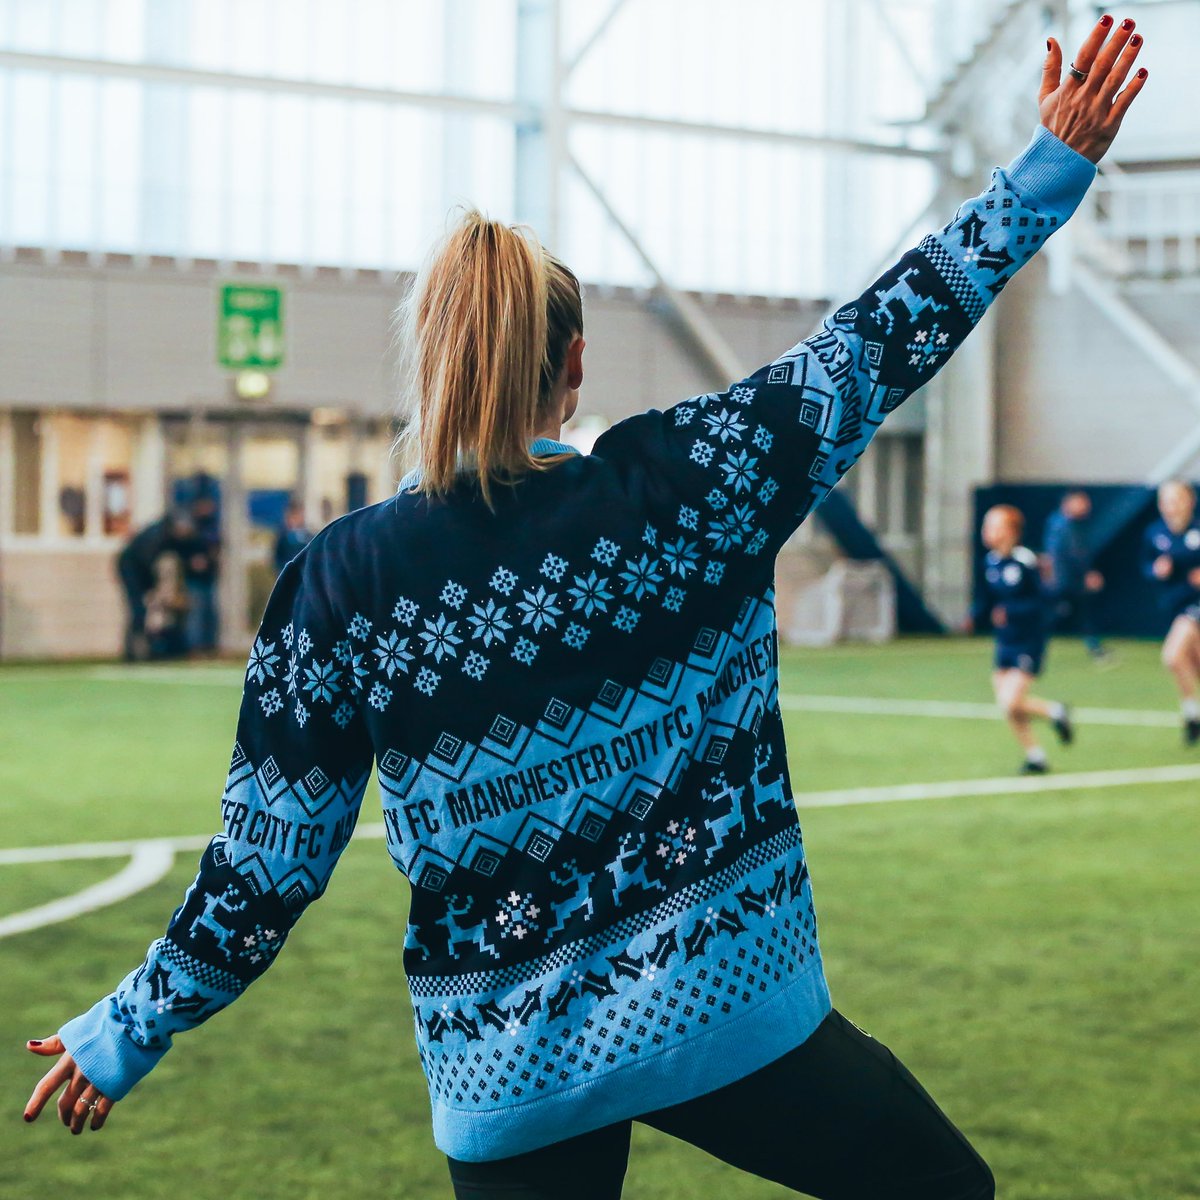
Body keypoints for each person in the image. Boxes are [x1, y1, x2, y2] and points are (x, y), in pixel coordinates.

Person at [24, 19, 1147, 1200]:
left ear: (431, 365)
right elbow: (884, 335)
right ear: (573, 368)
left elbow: (268, 866)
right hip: (735, 1008)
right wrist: (1049, 167)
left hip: (507, 1074)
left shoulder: (338, 584)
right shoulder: (692, 484)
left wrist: (126, 1029)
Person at [976, 505, 1074, 774]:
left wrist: (1012, 611)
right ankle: (1036, 756)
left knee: (1010, 700)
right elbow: (989, 601)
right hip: (1005, 641)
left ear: (1012, 532)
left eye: (994, 526)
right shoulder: (991, 562)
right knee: (1009, 706)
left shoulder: (1026, 562)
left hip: (1029, 641)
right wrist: (975, 615)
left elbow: (1045, 601)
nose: (988, 532)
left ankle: (1056, 712)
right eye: (987, 526)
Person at [1143, 480, 1200, 746]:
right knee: (1195, 663)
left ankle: (1191, 714)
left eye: (1176, 499)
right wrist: (1156, 570)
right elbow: (1145, 566)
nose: (1170, 506)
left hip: (1195, 604)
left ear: (1190, 501)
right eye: (1165, 500)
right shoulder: (1155, 533)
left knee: (1173, 656)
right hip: (1173, 604)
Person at [114, 510, 193, 662]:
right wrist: (153, 590)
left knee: (150, 611)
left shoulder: (170, 536)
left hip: (142, 571)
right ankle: (133, 653)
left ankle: (152, 650)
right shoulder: (155, 537)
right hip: (131, 569)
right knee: (138, 610)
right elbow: (144, 563)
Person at [1042, 489, 1108, 660]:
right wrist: (1086, 574)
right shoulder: (1063, 525)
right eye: (1081, 502)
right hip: (1064, 580)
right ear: (1069, 503)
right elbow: (1072, 554)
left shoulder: (1068, 524)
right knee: (1056, 613)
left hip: (1066, 580)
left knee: (1079, 613)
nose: (1086, 506)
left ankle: (1095, 648)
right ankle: (1032, 643)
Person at [180, 491, 221, 655]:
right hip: (194, 578)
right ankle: (194, 647)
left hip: (209, 577)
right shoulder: (191, 528)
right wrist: (191, 562)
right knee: (196, 614)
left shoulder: (212, 527)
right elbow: (183, 551)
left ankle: (209, 646)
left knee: (210, 613)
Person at [274, 498, 314, 573]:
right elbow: (277, 559)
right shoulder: (283, 537)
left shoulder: (309, 536)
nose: (295, 519)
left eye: (298, 515)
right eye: (293, 516)